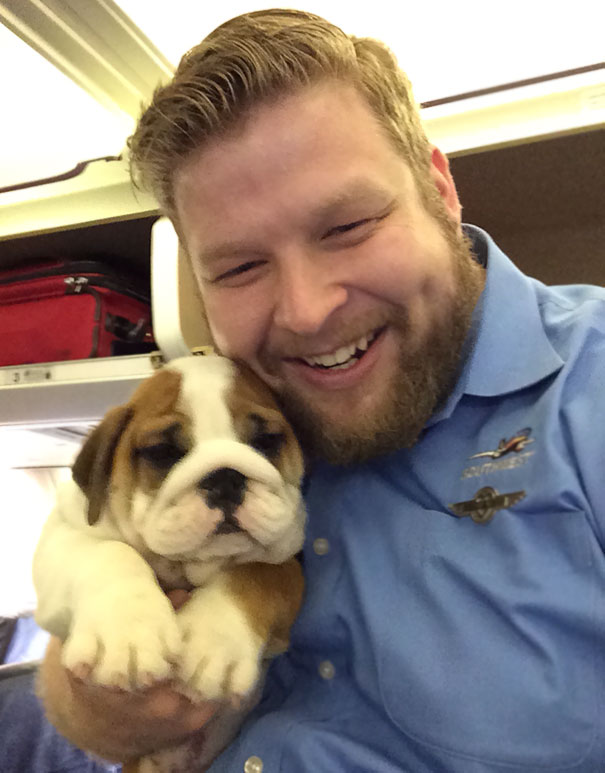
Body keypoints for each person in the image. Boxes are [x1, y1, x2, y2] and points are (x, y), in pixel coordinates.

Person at [40, 8, 605, 772]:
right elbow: (90, 686)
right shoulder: (242, 401)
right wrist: (95, 696)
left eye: (346, 226)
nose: (306, 311)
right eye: (240, 268)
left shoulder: (588, 392)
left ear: (439, 189)